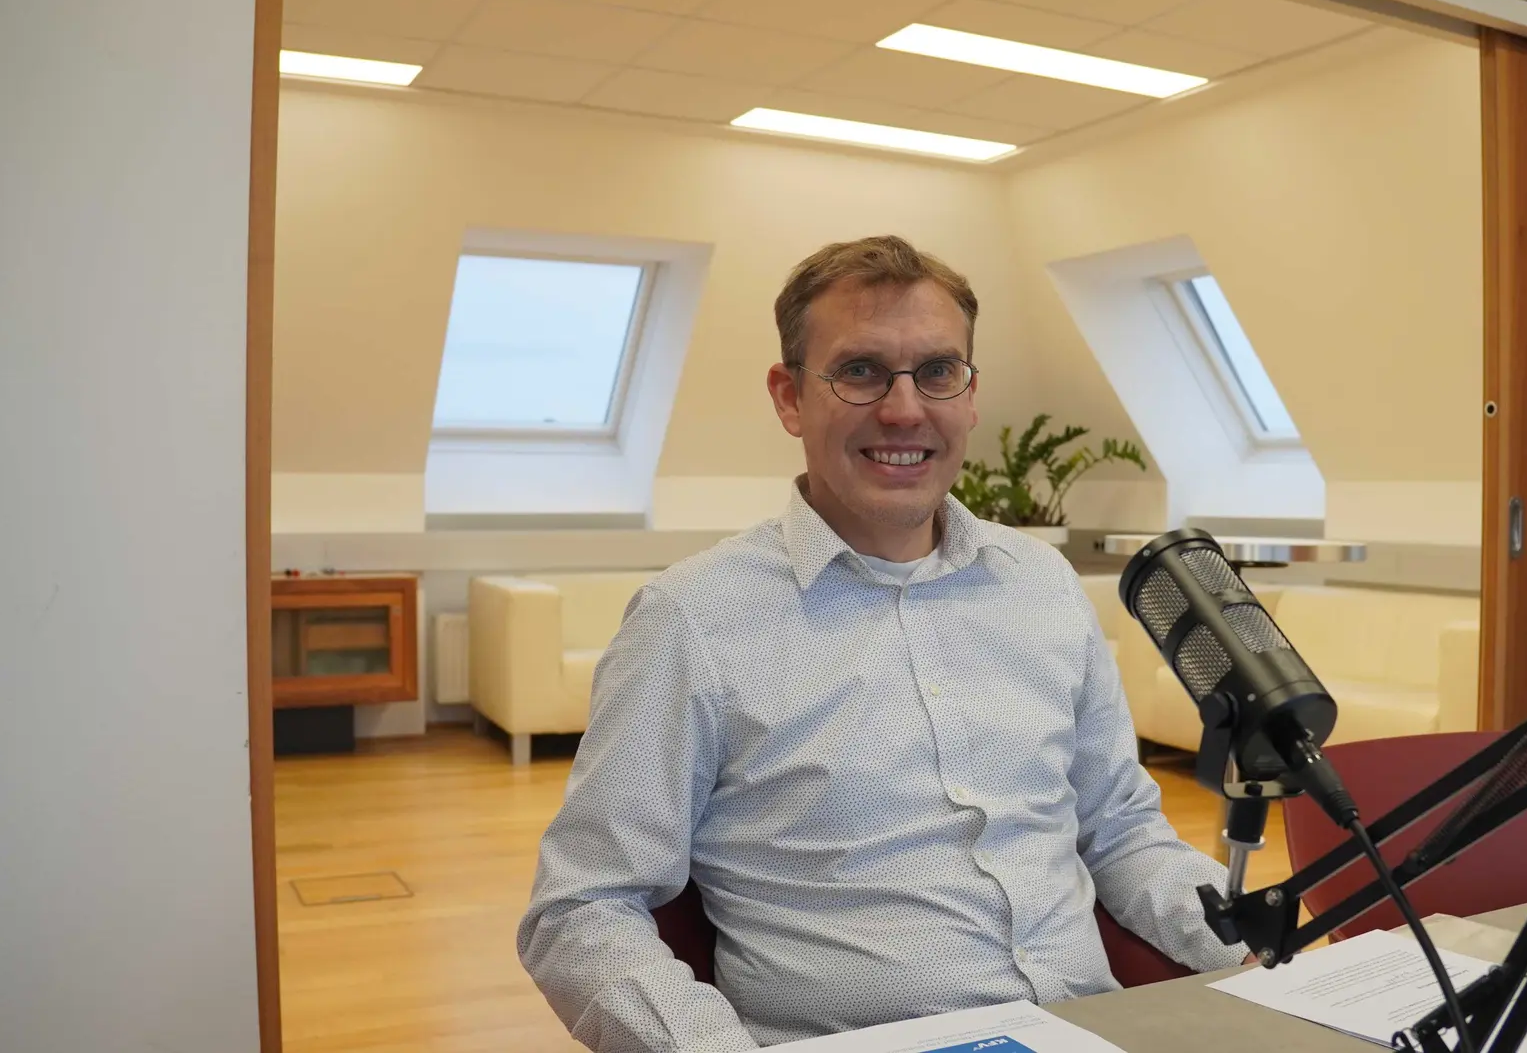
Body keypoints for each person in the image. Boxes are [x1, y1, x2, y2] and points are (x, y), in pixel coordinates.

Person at [518, 235, 1246, 1052]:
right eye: (861, 372)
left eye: (937, 372)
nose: (905, 410)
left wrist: (1264, 947)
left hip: (1094, 1032)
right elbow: (581, 907)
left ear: (970, 395)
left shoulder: (1043, 587)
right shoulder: (692, 620)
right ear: (790, 397)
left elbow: (1121, 833)